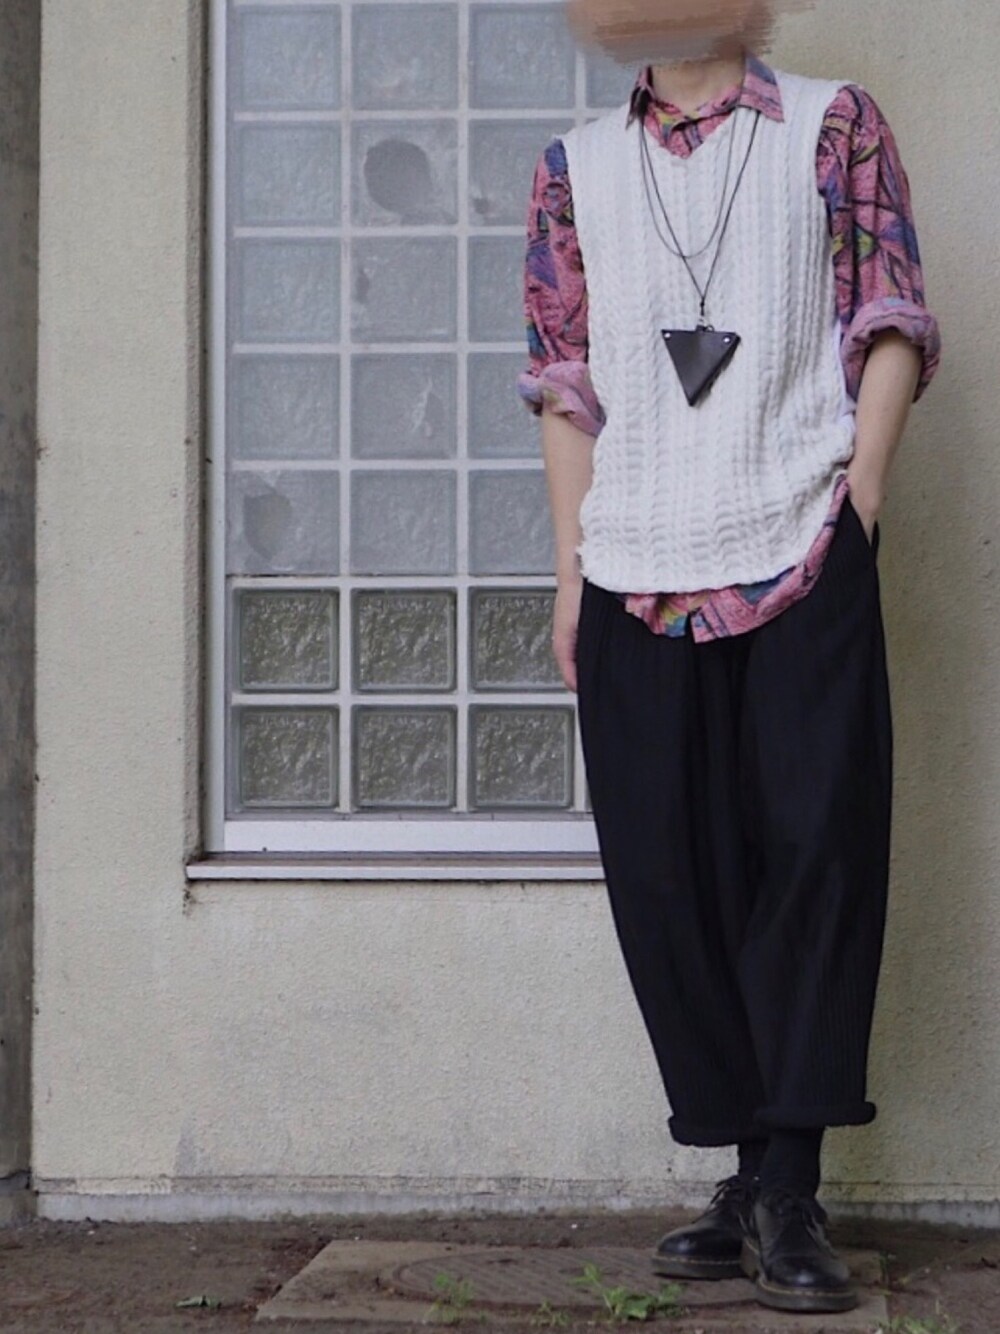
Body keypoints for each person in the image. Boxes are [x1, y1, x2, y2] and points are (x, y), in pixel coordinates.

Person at [518, 9, 941, 1317]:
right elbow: (567, 381)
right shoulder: (574, 169)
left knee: (815, 856)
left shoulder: (833, 125)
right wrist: (571, 570)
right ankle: (750, 1174)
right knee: (670, 872)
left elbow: (888, 315)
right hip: (633, 564)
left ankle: (792, 1186)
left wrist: (859, 500)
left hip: (799, 548)